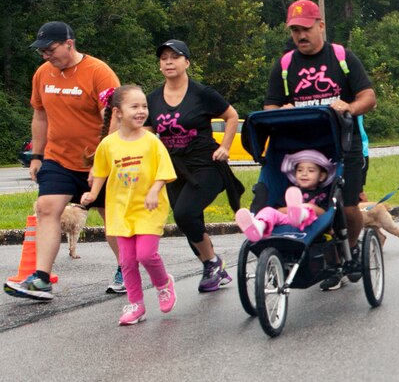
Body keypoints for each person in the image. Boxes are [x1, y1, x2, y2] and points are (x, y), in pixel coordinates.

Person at [5, 22, 124, 301]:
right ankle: (41, 279)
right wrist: (37, 155)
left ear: (69, 43)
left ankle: (126, 270)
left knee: (113, 222)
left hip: (99, 161)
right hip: (58, 159)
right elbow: (41, 115)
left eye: (50, 49)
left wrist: (101, 162)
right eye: (42, 51)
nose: (46, 55)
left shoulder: (99, 72)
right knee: (47, 209)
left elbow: (115, 118)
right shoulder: (42, 74)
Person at [265, 0, 377, 291]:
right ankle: (314, 254)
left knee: (349, 207)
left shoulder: (342, 57)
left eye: (305, 29)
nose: (300, 36)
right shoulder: (285, 65)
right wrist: (282, 111)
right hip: (303, 148)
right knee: (303, 203)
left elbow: (369, 97)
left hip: (344, 144)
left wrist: (349, 107)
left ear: (320, 26)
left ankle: (347, 252)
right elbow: (269, 108)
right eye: (294, 31)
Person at [147, 40, 243, 293]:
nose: (168, 62)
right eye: (163, 58)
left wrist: (225, 147)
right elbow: (146, 134)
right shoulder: (153, 99)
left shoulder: (202, 93)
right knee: (189, 221)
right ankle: (213, 268)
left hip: (206, 165)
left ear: (186, 62)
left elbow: (231, 116)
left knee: (184, 213)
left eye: (174, 57)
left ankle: (212, 262)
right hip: (174, 168)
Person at [81, 85, 178, 326]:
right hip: (120, 210)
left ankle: (163, 283)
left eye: (144, 106)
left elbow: (164, 172)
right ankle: (136, 304)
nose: (141, 111)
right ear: (118, 112)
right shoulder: (108, 144)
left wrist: (155, 190)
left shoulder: (152, 142)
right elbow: (101, 172)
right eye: (134, 106)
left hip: (149, 208)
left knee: (145, 254)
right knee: (127, 261)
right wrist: (92, 194)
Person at [235, 150, 335, 241]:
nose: (304, 174)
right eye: (300, 170)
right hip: (287, 219)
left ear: (321, 176)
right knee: (268, 211)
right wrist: (291, 210)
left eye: (311, 171)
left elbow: (325, 213)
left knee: (308, 211)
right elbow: (278, 210)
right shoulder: (291, 192)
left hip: (312, 223)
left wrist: (307, 207)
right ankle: (259, 226)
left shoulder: (323, 194)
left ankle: (301, 214)